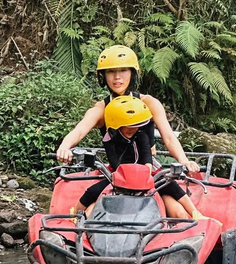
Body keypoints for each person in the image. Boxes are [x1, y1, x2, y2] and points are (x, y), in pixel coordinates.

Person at [56, 45, 199, 174]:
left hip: (148, 168)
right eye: (111, 71)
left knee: (171, 198)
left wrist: (184, 160)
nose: (117, 77)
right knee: (90, 199)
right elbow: (79, 130)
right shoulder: (101, 109)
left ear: (132, 73)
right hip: (117, 170)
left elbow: (168, 137)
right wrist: (65, 146)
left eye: (123, 70)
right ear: (103, 75)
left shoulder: (149, 103)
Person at [73, 96, 203, 220]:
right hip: (120, 174)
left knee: (170, 185)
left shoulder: (141, 136)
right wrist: (124, 176)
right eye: (127, 125)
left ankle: (195, 212)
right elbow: (115, 161)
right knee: (93, 191)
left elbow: (147, 157)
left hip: (145, 172)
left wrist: (145, 173)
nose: (132, 128)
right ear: (116, 124)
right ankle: (76, 214)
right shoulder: (109, 139)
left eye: (136, 125)